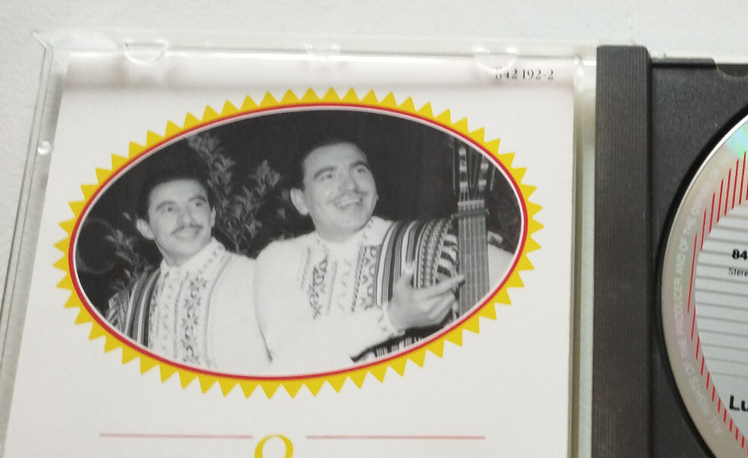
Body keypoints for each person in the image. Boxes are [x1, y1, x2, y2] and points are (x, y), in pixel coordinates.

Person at [253, 138, 510, 371]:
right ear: (300, 200)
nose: (350, 185)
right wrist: (391, 318)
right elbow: (291, 346)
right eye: (328, 176)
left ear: (376, 190)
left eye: (359, 170)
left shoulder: (431, 242)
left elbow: (519, 281)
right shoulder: (279, 258)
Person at [105, 155, 270, 373]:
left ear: (212, 215)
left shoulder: (258, 279)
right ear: (145, 228)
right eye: (169, 209)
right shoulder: (130, 302)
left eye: (197, 204)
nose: (187, 219)